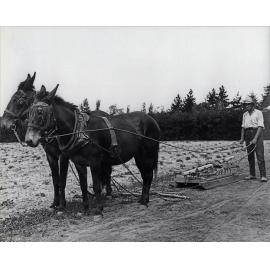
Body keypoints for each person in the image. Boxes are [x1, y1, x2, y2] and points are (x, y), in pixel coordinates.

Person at [240, 97, 267, 181]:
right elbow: (243, 127)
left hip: (257, 133)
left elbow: (260, 126)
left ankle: (263, 176)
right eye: (245, 104)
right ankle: (252, 174)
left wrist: (255, 138)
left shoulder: (258, 113)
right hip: (248, 134)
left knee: (259, 155)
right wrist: (242, 138)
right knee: (250, 155)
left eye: (248, 104)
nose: (246, 106)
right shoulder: (245, 114)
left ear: (252, 105)